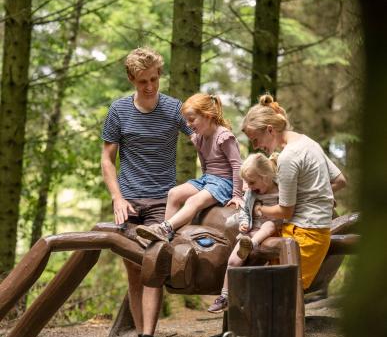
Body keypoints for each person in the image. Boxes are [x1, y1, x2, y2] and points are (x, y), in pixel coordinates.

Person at [101, 47, 193, 337]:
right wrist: (117, 198)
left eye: (154, 79)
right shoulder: (118, 111)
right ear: (131, 79)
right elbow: (107, 160)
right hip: (128, 202)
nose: (150, 87)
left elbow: (204, 137)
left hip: (162, 203)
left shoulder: (174, 109)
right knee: (134, 272)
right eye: (143, 81)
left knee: (152, 266)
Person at [242, 93, 347, 291]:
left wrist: (258, 209)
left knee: (282, 290)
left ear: (270, 130)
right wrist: (319, 196)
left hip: (305, 233)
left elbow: (285, 211)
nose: (256, 147)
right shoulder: (308, 142)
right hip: (310, 228)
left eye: (255, 139)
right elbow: (340, 181)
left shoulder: (288, 157)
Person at [136, 93, 244, 242]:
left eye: (191, 120)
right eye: (186, 120)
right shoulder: (198, 138)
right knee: (174, 193)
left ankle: (165, 228)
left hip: (224, 182)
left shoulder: (224, 136)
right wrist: (204, 186)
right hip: (208, 180)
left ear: (208, 116)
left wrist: (237, 194)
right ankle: (166, 235)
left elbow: (237, 165)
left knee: (193, 201)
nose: (187, 124)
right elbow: (205, 165)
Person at [208, 152, 282, 313]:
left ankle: (252, 245)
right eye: (247, 182)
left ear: (266, 176)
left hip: (272, 229)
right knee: (233, 261)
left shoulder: (282, 188)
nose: (249, 186)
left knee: (269, 225)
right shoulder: (251, 193)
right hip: (251, 230)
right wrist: (243, 223)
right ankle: (224, 296)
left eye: (252, 182)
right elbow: (245, 212)